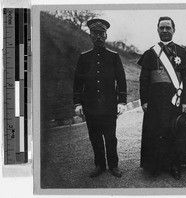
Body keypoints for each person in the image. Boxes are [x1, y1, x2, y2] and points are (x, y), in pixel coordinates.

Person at [138, 16, 186, 180]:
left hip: (175, 102)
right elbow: (144, 79)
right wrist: (144, 101)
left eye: (167, 28)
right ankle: (155, 165)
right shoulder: (150, 53)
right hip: (154, 101)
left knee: (174, 132)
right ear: (157, 30)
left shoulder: (182, 52)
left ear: (173, 30)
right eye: (161, 28)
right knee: (155, 132)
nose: (164, 31)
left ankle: (174, 165)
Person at [73, 18, 127, 178]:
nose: (98, 36)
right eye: (94, 33)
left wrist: (122, 101)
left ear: (106, 35)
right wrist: (77, 103)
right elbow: (77, 82)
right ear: (90, 35)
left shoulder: (113, 56)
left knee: (111, 138)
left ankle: (114, 165)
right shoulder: (84, 57)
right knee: (94, 137)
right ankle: (100, 165)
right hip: (90, 106)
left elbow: (122, 80)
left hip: (109, 106)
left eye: (101, 33)